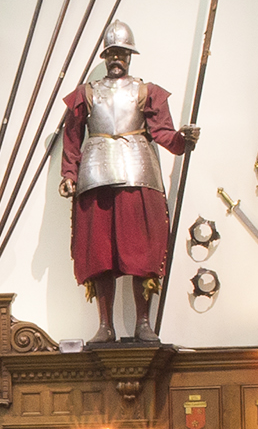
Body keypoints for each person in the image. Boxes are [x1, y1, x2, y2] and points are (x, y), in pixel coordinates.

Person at [56, 21, 187, 343]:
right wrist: (69, 174)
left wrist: (184, 139)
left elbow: (164, 133)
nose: (117, 59)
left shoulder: (146, 92)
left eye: (122, 53)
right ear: (105, 56)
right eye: (112, 53)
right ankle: (105, 325)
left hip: (138, 175)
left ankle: (143, 323)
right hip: (96, 176)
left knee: (142, 253)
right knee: (101, 256)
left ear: (130, 56)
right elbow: (72, 138)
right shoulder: (86, 93)